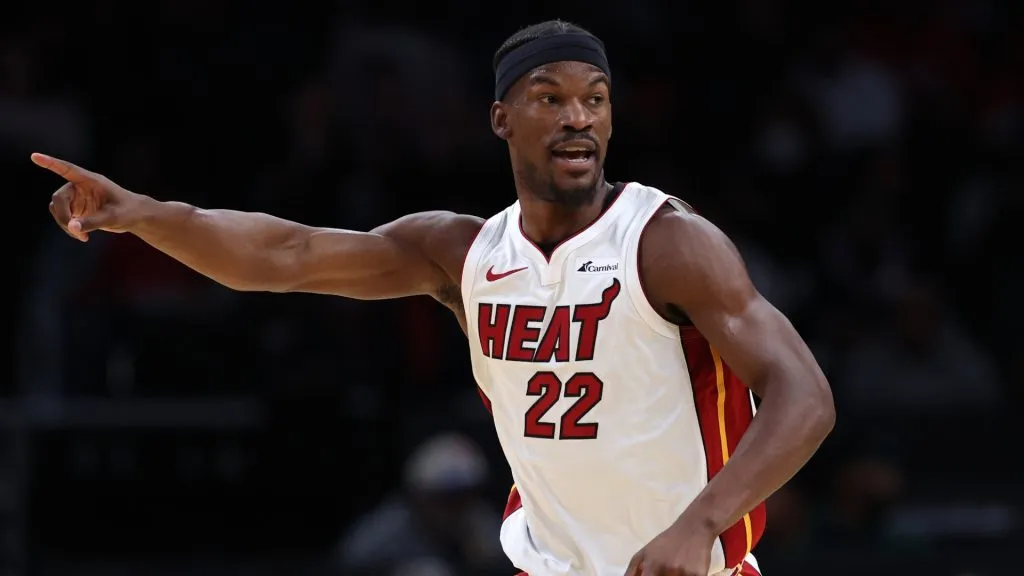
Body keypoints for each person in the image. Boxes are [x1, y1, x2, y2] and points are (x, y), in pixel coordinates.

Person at [37, 19, 834, 576]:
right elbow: (285, 253)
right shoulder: (465, 253)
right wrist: (143, 216)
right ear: (500, 118)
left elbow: (805, 397)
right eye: (550, 98)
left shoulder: (666, 241)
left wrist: (700, 522)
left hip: (687, 568)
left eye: (594, 98)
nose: (578, 117)